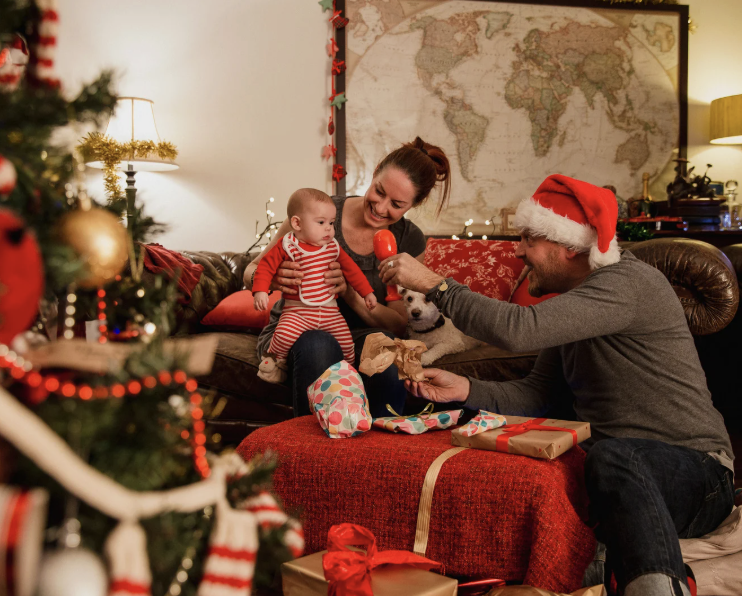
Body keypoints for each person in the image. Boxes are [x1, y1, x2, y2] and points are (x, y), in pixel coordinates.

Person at [379, 174, 735, 596]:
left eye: (528, 238)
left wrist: (436, 285)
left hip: (698, 473)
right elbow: (538, 395)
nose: (517, 250)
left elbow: (517, 329)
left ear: (567, 246)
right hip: (616, 480)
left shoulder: (628, 284)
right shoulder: (576, 305)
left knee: (612, 456)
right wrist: (465, 390)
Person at [243, 137, 450, 418]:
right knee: (319, 344)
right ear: (374, 171)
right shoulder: (319, 213)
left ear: (413, 205)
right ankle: (312, 454)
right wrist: (274, 279)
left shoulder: (408, 240)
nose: (380, 207)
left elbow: (400, 324)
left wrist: (351, 294)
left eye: (397, 204)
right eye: (379, 191)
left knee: (386, 350)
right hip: (296, 331)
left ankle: (380, 451)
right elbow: (250, 272)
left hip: (356, 337)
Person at [252, 188, 377, 383]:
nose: (328, 228)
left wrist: (367, 292)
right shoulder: (287, 245)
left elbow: (352, 271)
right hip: (297, 314)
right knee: (283, 335)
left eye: (331, 223)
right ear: (297, 223)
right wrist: (260, 290)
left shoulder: (333, 248)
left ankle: (351, 374)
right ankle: (275, 363)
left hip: (331, 314)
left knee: (346, 343)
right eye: (321, 222)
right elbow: (264, 267)